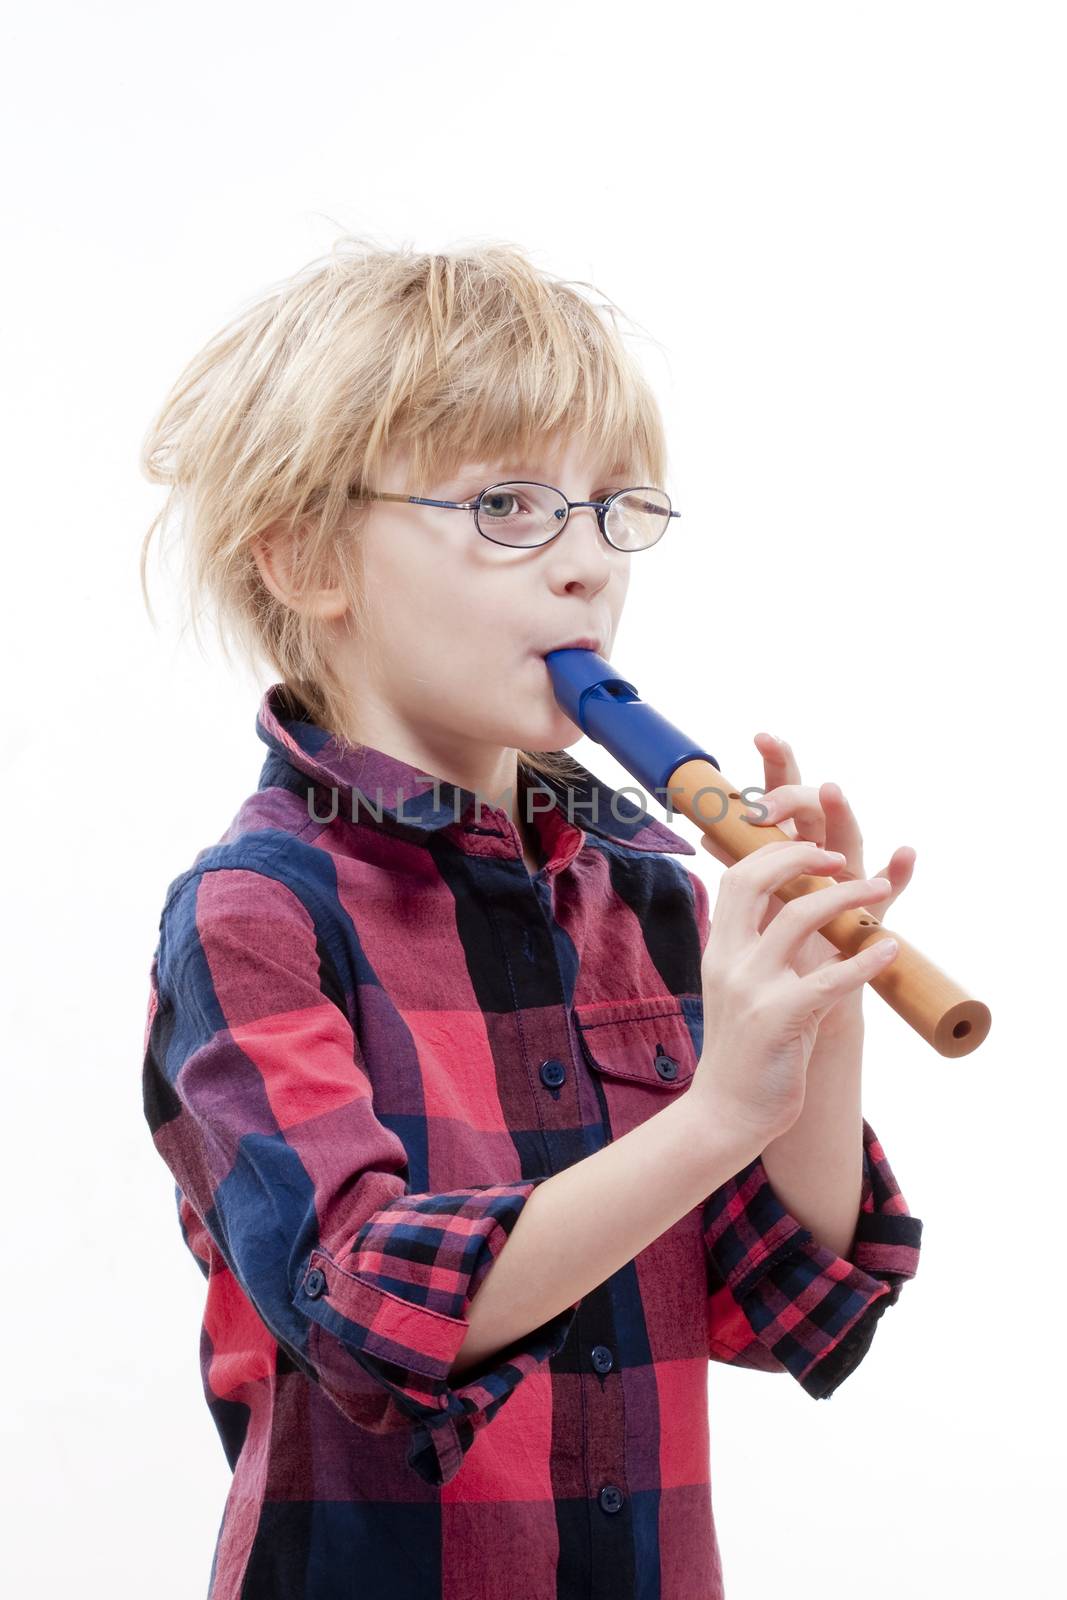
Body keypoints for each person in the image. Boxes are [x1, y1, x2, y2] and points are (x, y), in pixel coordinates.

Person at [139, 237, 923, 1600]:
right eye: (508, 506)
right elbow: (370, 1311)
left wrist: (815, 1023)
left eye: (612, 509)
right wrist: (720, 1108)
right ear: (309, 555)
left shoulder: (646, 892)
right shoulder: (253, 915)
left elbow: (770, 1299)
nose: (584, 570)